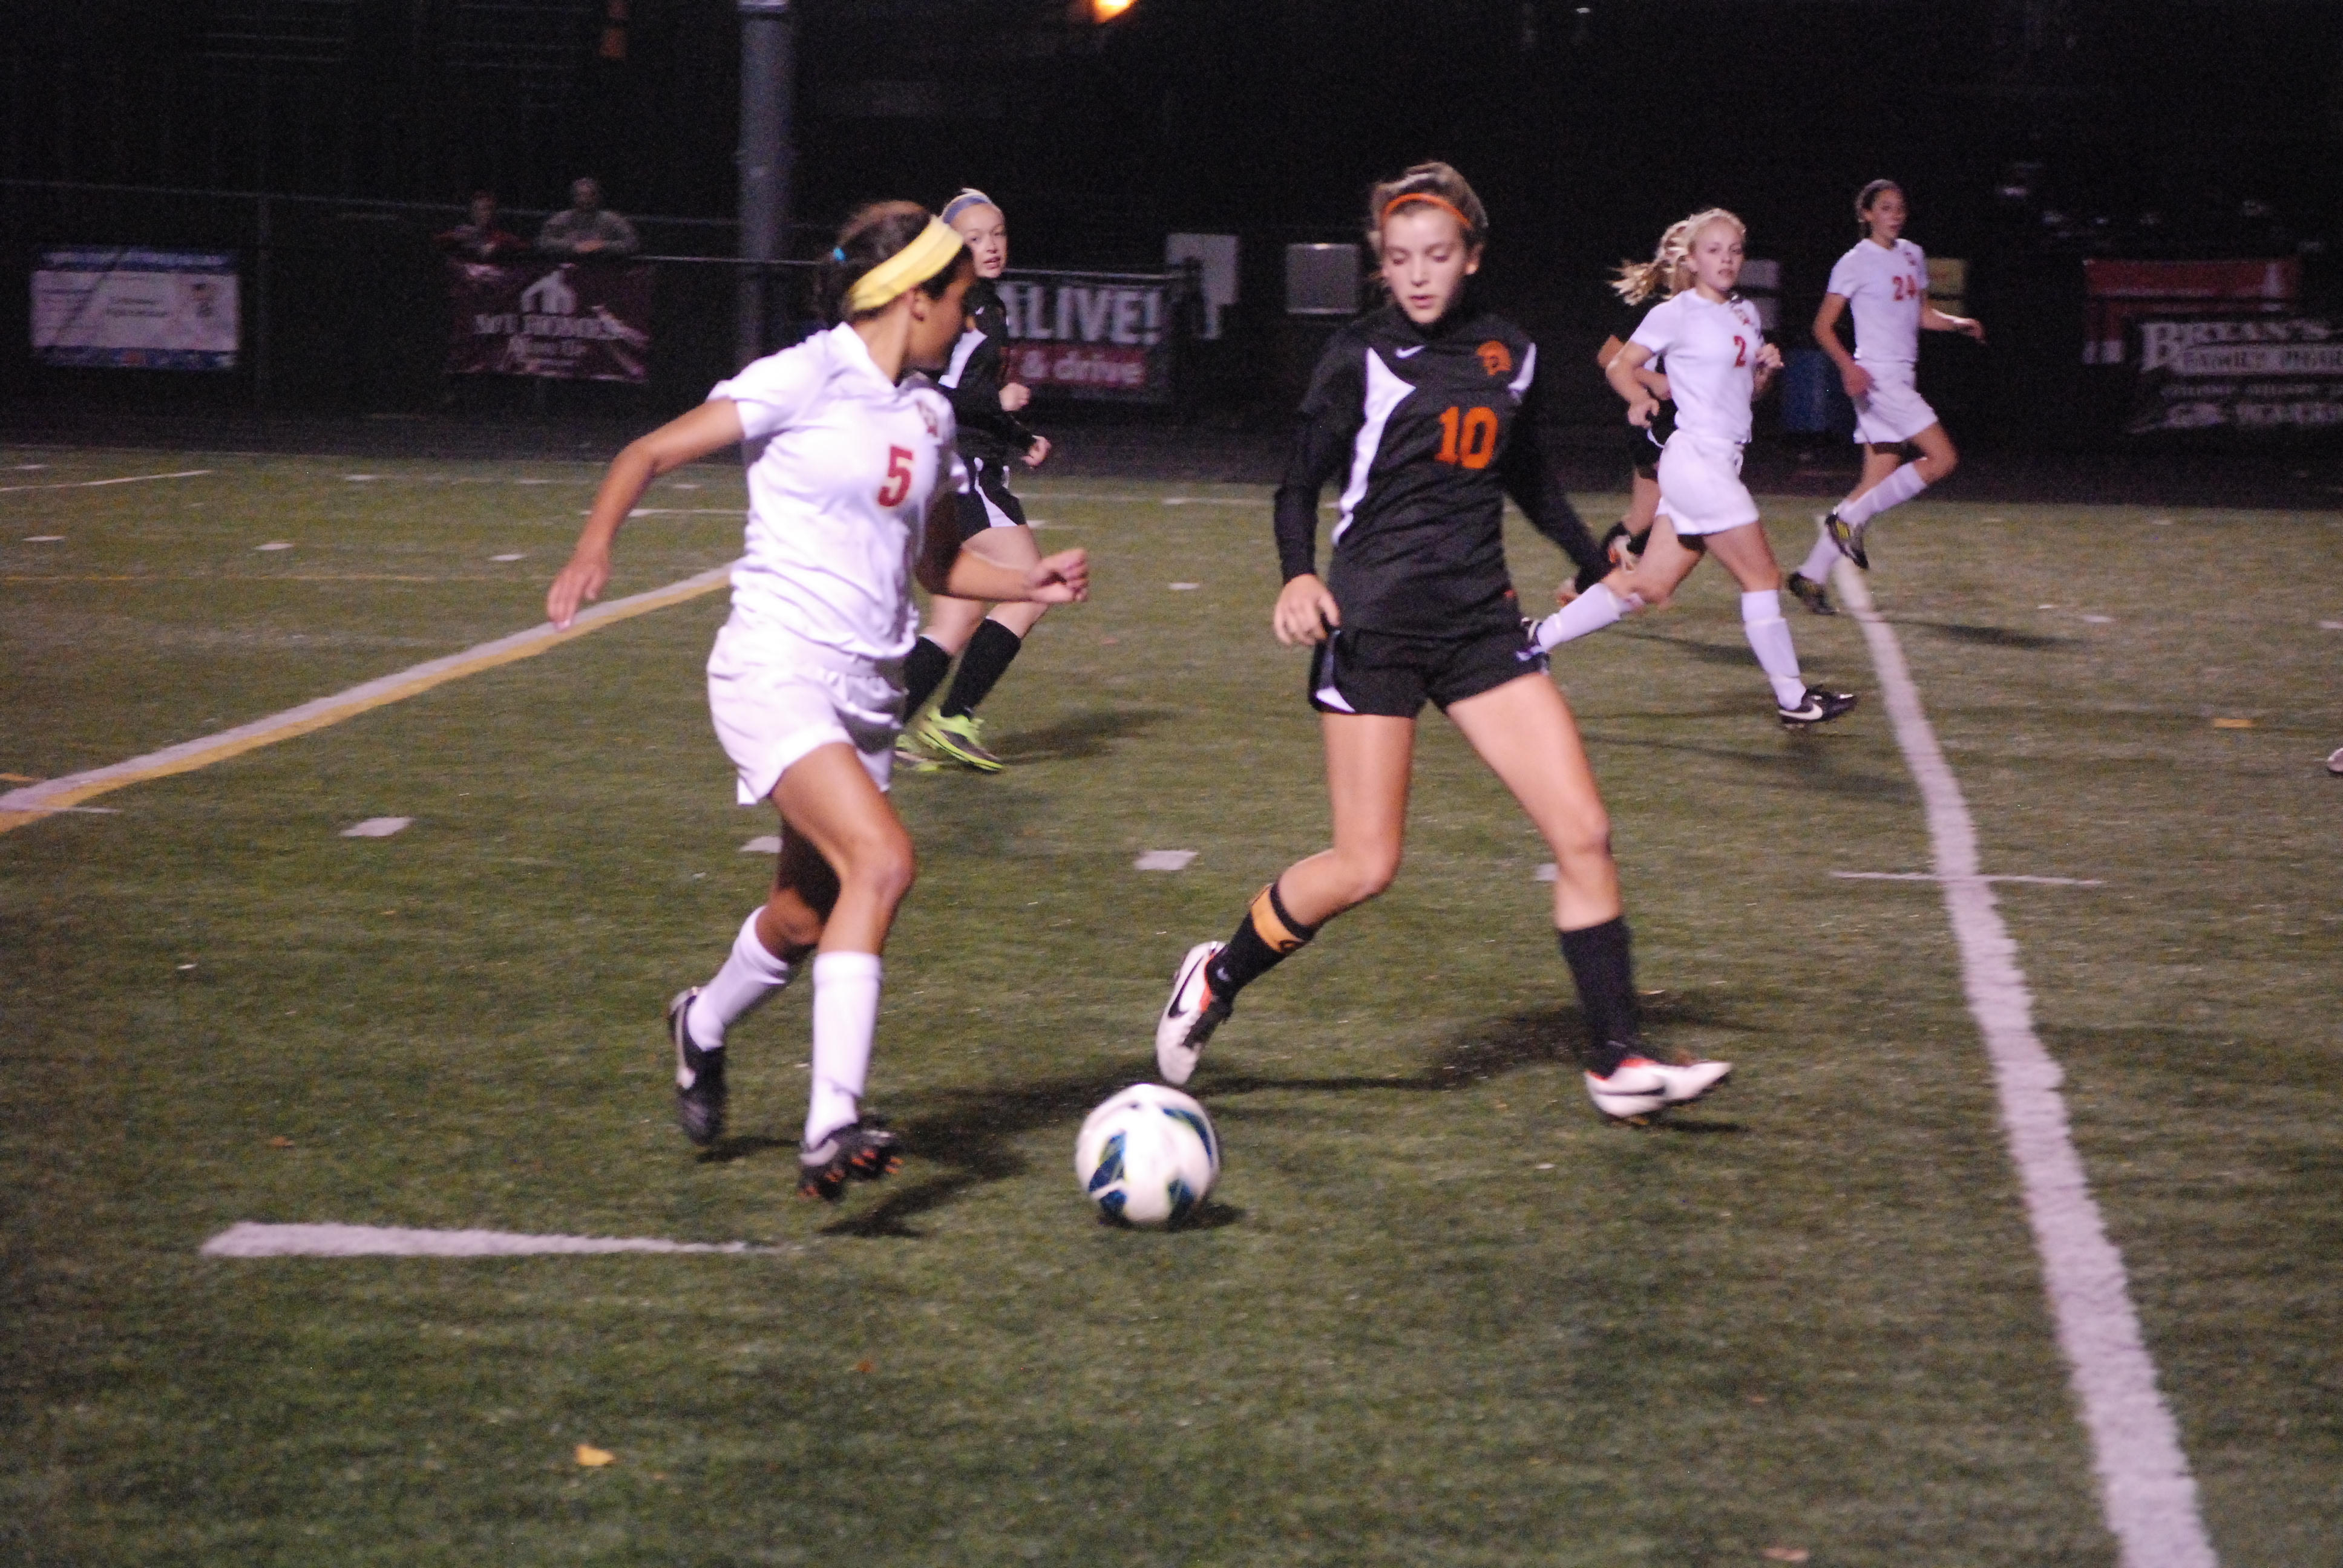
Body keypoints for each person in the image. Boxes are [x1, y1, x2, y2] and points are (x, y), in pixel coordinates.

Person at [1152, 162, 1728, 1125]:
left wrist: (1595, 561)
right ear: (1382, 266)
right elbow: (1298, 484)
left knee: (1584, 830)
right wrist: (1298, 574)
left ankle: (1618, 1061)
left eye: (1438, 255)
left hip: (1477, 626)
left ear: (1472, 258)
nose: (1418, 275)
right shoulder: (1358, 355)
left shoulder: (1512, 351)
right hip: (1372, 627)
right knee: (1366, 865)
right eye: (1399, 259)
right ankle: (1218, 972)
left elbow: (1528, 475)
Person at [544, 202, 1089, 1199]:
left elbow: (930, 562)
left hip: (867, 695)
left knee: (800, 918)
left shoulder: (925, 411)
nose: (971, 320)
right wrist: (593, 548)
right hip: (775, 668)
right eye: (959, 302)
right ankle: (829, 1123)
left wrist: (1027, 585)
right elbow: (646, 454)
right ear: (910, 296)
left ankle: (699, 1025)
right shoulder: (803, 375)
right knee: (884, 861)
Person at [1531, 209, 1859, 731]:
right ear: (1692, 258)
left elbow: (1746, 396)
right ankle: (1794, 700)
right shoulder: (1677, 312)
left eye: (1734, 251)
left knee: (1650, 587)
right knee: (1762, 576)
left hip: (1718, 462)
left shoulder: (1746, 313)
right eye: (1714, 250)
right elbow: (1619, 363)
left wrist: (1763, 373)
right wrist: (1638, 398)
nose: (1726, 260)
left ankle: (1535, 640)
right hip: (1697, 463)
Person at [894, 189, 1054, 773]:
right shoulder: (964, 306)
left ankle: (883, 733)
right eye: (975, 237)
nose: (991, 246)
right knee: (1033, 590)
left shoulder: (979, 300)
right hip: (967, 475)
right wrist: (1000, 402)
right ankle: (953, 720)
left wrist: (1016, 434)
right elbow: (931, 387)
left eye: (999, 233)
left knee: (956, 619)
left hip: (960, 466)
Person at [1792, 180, 1985, 598]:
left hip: (1903, 374)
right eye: (1885, 208)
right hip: (1877, 377)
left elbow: (1922, 315)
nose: (1895, 214)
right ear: (1867, 215)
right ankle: (1846, 522)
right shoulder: (1855, 262)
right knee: (1943, 458)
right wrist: (1849, 367)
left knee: (1876, 482)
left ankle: (1810, 576)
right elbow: (1822, 327)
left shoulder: (1913, 254)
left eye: (1900, 207)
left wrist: (1958, 324)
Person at [536, 177, 641, 259]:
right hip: (568, 270)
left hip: (604, 270)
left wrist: (601, 245)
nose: (586, 200)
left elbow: (632, 243)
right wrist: (573, 246)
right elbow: (543, 242)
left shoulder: (612, 220)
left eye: (590, 195)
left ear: (598, 197)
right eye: (581, 195)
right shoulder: (561, 219)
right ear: (574, 198)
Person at [436, 191, 527, 261]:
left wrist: (500, 245)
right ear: (473, 213)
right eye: (482, 210)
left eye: (490, 209)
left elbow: (524, 246)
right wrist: (455, 238)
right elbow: (438, 240)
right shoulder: (463, 231)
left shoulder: (501, 237)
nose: (487, 213)